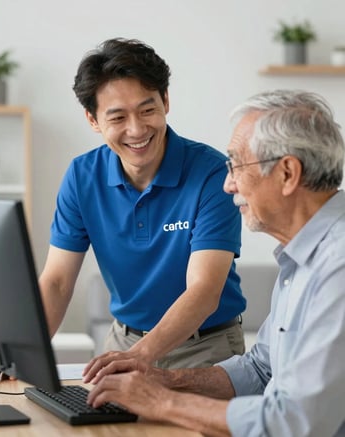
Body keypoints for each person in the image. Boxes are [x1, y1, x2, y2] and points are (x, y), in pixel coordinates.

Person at [84, 90, 345, 437]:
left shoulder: (337, 267)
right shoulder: (303, 258)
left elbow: (296, 422)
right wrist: (167, 381)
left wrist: (162, 402)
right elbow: (260, 369)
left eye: (237, 165)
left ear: (287, 174)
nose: (228, 184)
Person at [39, 37, 246, 369]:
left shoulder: (212, 173)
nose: (136, 129)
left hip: (206, 348)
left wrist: (139, 358)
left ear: (165, 101)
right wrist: (22, 358)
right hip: (124, 341)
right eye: (118, 117)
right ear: (93, 120)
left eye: (147, 110)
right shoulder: (81, 177)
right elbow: (57, 282)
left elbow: (204, 290)